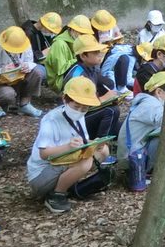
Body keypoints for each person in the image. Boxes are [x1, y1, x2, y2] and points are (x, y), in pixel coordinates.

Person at [26, 76, 111, 214]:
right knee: (85, 161)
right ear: (65, 99)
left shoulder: (79, 116)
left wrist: (95, 143)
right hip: (41, 175)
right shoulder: (51, 120)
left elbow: (82, 141)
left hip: (64, 161)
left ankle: (67, 183)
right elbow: (44, 154)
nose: (80, 111)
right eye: (76, 107)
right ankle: (56, 195)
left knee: (103, 151)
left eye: (84, 108)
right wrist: (68, 147)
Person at [61, 35, 122, 140]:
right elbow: (77, 104)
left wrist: (111, 99)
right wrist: (104, 99)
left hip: (86, 113)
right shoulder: (77, 74)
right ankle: (99, 145)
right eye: (95, 52)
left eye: (99, 51)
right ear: (83, 56)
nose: (99, 55)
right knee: (112, 111)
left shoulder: (91, 69)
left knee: (120, 128)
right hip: (75, 119)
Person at [115, 72, 165, 190]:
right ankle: (145, 172)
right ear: (159, 92)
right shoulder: (153, 105)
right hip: (132, 158)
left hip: (130, 153)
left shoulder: (147, 102)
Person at [0, 26, 43, 117]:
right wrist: (1, 70)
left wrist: (27, 66)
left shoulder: (26, 46)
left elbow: (30, 61)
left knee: (37, 72)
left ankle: (25, 104)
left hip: (17, 81)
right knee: (8, 93)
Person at [44, 14, 94, 92]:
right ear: (72, 30)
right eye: (81, 33)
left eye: (85, 34)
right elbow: (60, 70)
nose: (83, 36)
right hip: (59, 80)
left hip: (73, 73)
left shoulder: (76, 41)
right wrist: (80, 59)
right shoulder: (59, 44)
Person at [21, 12, 63, 78]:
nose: (52, 34)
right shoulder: (27, 33)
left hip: (38, 61)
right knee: (45, 72)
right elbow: (25, 58)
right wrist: (42, 53)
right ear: (45, 27)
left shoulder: (38, 30)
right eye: (51, 31)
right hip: (27, 65)